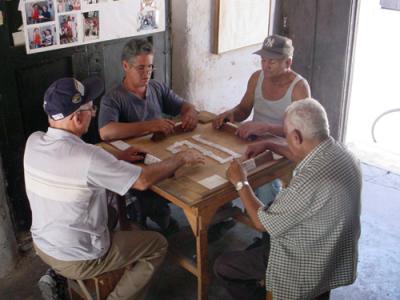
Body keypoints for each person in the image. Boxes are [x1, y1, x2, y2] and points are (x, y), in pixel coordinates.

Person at [24, 77, 204, 300]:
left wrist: (115, 159)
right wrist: (181, 158)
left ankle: (56, 274)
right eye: (92, 108)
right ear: (79, 118)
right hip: (78, 257)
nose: (93, 112)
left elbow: (73, 162)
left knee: (108, 213)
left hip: (42, 244)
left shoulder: (33, 141)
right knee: (158, 244)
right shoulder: (89, 157)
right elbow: (143, 180)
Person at [214, 98, 361, 300]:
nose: (285, 138)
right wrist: (270, 144)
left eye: (286, 135)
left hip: (303, 264)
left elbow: (260, 223)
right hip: (334, 254)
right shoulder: (342, 153)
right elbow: (305, 157)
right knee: (264, 236)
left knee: (223, 266)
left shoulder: (309, 182)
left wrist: (241, 182)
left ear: (297, 137)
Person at [98, 38, 198, 232]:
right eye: (141, 68)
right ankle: (147, 216)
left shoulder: (157, 88)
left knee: (191, 171)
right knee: (149, 194)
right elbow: (106, 132)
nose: (147, 73)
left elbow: (184, 105)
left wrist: (190, 112)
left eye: (150, 67)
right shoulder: (113, 98)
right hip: (135, 162)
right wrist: (149, 126)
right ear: (126, 66)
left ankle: (170, 216)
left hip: (160, 153)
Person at [213, 34, 311, 208]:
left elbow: (301, 133)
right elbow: (243, 109)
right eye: (263, 60)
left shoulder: (299, 88)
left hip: (283, 147)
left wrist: (266, 127)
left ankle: (268, 227)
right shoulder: (256, 78)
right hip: (254, 141)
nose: (265, 66)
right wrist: (230, 114)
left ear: (287, 63)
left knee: (265, 184)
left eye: (271, 62)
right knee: (222, 166)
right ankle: (222, 214)